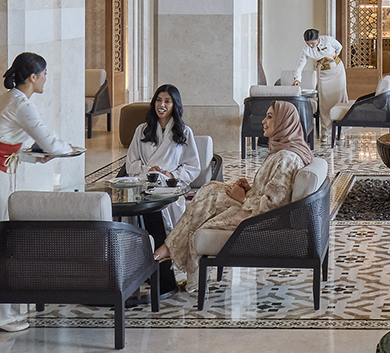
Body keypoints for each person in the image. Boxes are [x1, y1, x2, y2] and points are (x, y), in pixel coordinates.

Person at [0, 52, 80, 334]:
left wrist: (32, 159)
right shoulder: (21, 104)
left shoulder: (9, 98)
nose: (46, 79)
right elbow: (48, 141)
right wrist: (72, 150)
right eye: (44, 74)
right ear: (33, 77)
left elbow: (0, 143)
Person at [162, 98, 317, 280]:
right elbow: (274, 192)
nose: (263, 121)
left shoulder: (286, 159)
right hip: (255, 207)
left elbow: (274, 207)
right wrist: (250, 188)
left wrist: (242, 199)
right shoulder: (286, 152)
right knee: (210, 189)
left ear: (284, 122)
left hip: (259, 219)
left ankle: (169, 250)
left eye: (269, 117)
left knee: (206, 203)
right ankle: (175, 254)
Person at [117, 82, 205, 230]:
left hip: (170, 185)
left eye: (167, 101)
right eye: (158, 100)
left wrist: (170, 174)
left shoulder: (184, 132)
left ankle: (163, 242)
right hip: (143, 182)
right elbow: (131, 162)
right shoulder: (142, 130)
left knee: (164, 204)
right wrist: (150, 170)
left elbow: (192, 166)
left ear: (174, 105)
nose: (161, 104)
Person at [295, 26, 348, 138]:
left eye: (313, 43)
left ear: (318, 38)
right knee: (324, 103)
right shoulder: (306, 49)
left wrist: (332, 57)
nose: (311, 45)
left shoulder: (328, 40)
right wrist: (297, 79)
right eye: (308, 43)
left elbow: (339, 47)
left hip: (337, 71)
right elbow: (300, 65)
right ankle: (326, 131)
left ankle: (341, 130)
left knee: (340, 98)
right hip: (324, 74)